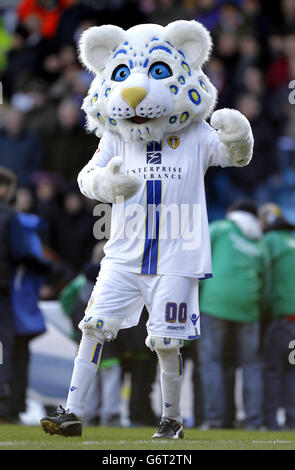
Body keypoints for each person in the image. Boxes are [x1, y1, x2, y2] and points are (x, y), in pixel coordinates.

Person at [40, 20, 254, 439]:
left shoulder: (195, 132)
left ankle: (171, 420)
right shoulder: (118, 136)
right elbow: (86, 176)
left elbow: (234, 157)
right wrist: (103, 184)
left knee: (166, 343)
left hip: (177, 255)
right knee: (94, 326)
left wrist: (240, 138)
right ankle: (72, 412)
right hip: (123, 253)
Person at [198, 200, 266, 429]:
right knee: (251, 365)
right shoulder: (259, 239)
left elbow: (198, 263)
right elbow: (266, 279)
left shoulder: (220, 228)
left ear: (231, 212)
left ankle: (215, 419)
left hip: (215, 303)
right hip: (249, 305)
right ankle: (254, 421)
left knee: (212, 362)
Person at [259, 203, 295, 430]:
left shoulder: (270, 242)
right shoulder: (293, 243)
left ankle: (270, 420)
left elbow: (264, 277)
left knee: (273, 369)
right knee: (292, 369)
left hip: (281, 318)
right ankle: (292, 419)